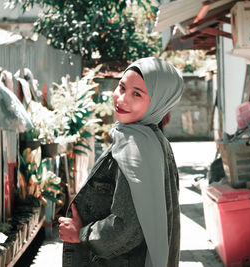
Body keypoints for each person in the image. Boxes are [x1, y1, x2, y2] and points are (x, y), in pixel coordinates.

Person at [59, 57, 184, 267]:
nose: (122, 99)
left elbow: (127, 227)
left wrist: (81, 234)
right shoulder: (151, 140)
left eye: (137, 94)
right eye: (122, 87)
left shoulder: (135, 148)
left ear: (158, 102)